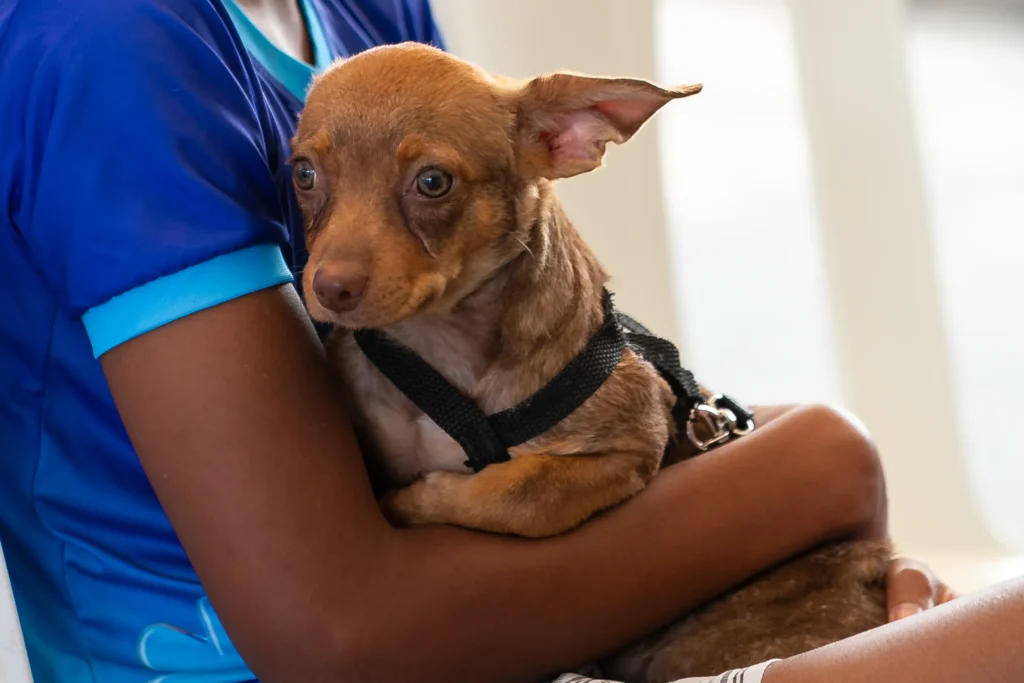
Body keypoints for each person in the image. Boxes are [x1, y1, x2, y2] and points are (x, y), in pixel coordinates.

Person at [0, 1, 993, 682]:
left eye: (427, 184)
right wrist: (821, 462)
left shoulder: (366, 28)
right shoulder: (107, 44)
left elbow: (545, 392)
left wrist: (807, 540)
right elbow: (343, 642)